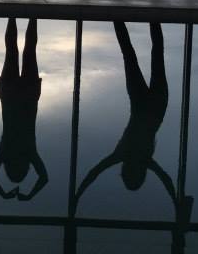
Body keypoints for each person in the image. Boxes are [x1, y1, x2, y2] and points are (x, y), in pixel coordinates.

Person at [75, 22, 191, 222]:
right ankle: (119, 18)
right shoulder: (127, 157)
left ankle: (136, 17)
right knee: (132, 55)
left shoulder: (135, 158)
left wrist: (78, 195)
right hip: (147, 104)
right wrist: (78, 194)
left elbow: (95, 172)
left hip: (153, 107)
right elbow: (95, 172)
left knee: (149, 53)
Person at [0, 18, 48, 201]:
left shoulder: (29, 153)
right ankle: (12, 14)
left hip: (29, 94)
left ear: (27, 167)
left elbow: (44, 178)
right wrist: (3, 194)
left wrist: (30, 195)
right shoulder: (4, 153)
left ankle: (33, 15)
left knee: (30, 50)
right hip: (10, 94)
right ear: (6, 166)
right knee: (11, 50)